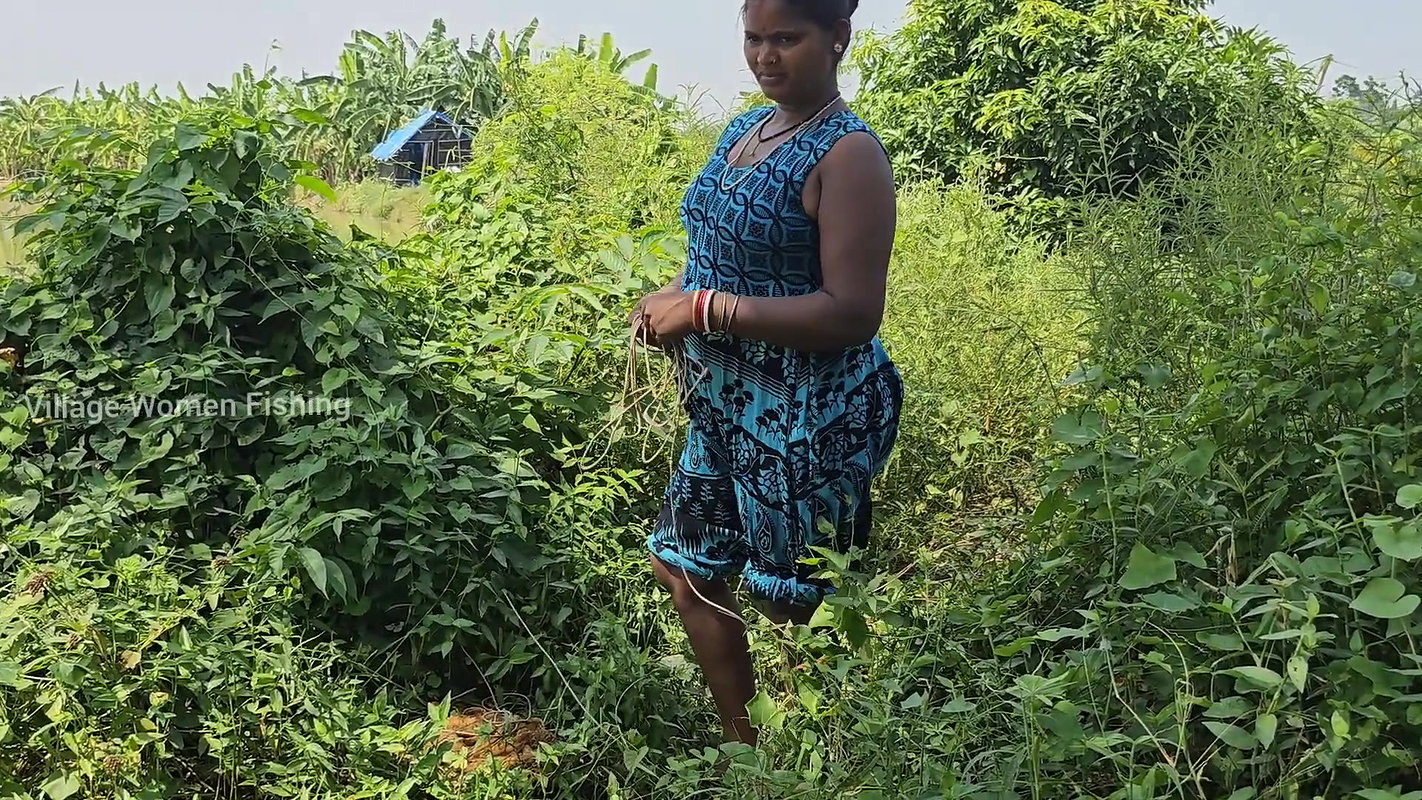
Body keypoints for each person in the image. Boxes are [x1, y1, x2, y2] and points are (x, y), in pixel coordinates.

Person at [630, 0, 901, 747]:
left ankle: (849, 753)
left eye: (788, 37)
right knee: (682, 567)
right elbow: (714, 246)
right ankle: (748, 749)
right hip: (724, 406)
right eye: (755, 37)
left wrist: (705, 310)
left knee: (797, 606)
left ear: (837, 37)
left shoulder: (848, 157)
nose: (766, 55)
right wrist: (674, 304)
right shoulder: (743, 132)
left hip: (805, 418)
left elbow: (851, 313)